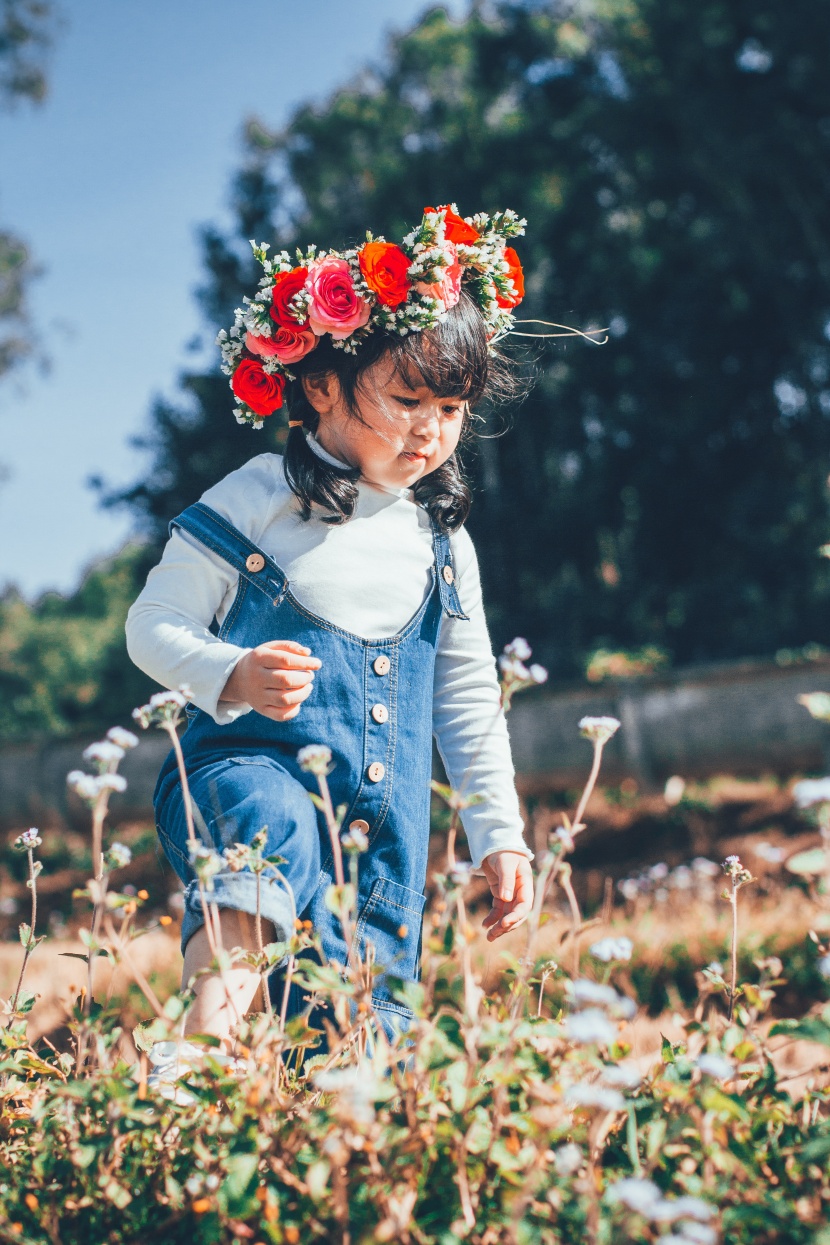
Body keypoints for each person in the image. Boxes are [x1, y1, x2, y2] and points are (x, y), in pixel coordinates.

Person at [125, 205, 534, 1060]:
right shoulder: (260, 496)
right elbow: (151, 624)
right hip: (244, 774)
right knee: (265, 832)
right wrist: (230, 672)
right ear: (320, 386)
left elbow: (466, 698)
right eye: (407, 398)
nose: (431, 428)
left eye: (452, 408)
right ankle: (202, 1058)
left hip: (381, 841)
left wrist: (500, 833)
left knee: (358, 1034)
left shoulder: (444, 545)